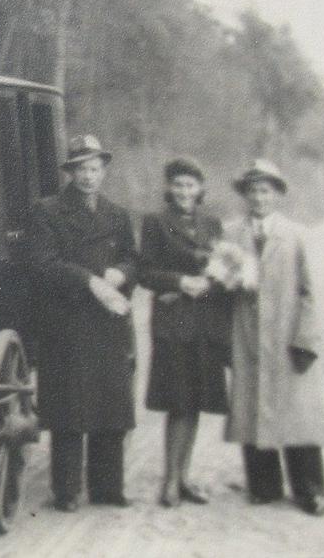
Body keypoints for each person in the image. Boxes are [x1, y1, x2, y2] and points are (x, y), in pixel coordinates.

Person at [28, 134, 137, 513]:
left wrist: (121, 275)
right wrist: (90, 281)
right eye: (81, 170)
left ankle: (108, 489)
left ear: (104, 171)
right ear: (70, 173)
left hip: (108, 324)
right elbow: (42, 265)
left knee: (110, 407)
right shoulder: (47, 211)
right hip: (67, 323)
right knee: (69, 411)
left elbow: (131, 259)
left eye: (95, 169)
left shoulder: (117, 215)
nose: (89, 177)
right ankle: (67, 490)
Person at [224, 159, 324, 516]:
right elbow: (220, 285)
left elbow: (310, 291)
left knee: (297, 412)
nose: (259, 198)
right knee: (252, 407)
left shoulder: (296, 235)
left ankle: (310, 489)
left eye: (266, 190)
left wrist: (306, 339)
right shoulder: (232, 235)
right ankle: (264, 485)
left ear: (277, 194)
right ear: (245, 195)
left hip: (287, 335)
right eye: (253, 191)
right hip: (248, 335)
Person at [139, 158, 230, 508]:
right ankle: (171, 481)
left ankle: (185, 477)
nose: (184, 191)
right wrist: (179, 281)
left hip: (205, 325)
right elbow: (146, 272)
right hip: (173, 324)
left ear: (201, 189)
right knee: (179, 402)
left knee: (195, 403)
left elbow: (224, 271)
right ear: (169, 188)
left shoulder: (213, 224)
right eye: (177, 184)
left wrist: (209, 283)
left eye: (190, 185)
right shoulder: (155, 222)